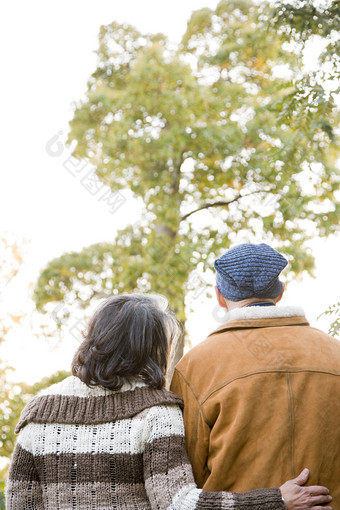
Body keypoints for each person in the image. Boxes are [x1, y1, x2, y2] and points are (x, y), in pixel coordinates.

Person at [6, 293, 332, 510]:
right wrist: (276, 499)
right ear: (154, 348)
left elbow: (20, 501)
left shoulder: (40, 410)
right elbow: (179, 503)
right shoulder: (156, 410)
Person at [170, 243, 340, 506]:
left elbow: (187, 478)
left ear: (219, 296)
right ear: (281, 292)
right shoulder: (334, 353)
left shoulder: (196, 365)